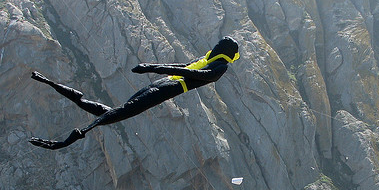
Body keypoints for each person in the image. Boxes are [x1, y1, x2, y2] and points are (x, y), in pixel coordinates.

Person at [29, 36, 240, 150]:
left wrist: (153, 68)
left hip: (165, 85)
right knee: (119, 112)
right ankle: (66, 138)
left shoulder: (215, 64)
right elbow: (188, 69)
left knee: (113, 112)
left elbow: (190, 71)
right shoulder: (214, 63)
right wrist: (152, 67)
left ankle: (51, 87)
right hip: (166, 86)